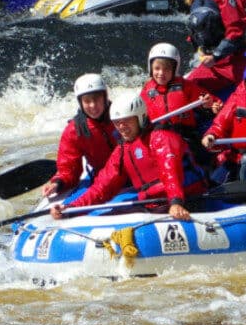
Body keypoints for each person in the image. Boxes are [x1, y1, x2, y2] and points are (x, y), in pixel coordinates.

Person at [50, 93, 207, 222]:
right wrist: (71, 208)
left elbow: (171, 172)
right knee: (108, 218)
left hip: (187, 199)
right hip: (154, 204)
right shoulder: (122, 150)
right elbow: (102, 187)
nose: (122, 127)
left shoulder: (160, 137)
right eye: (117, 123)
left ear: (140, 117)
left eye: (126, 121)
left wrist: (176, 202)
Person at [41, 73, 121, 197]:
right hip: (104, 177)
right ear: (80, 102)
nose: (93, 105)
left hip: (131, 171)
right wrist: (58, 183)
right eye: (87, 101)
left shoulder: (123, 115)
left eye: (97, 99)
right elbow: (68, 169)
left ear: (105, 97)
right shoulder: (75, 130)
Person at [140, 42, 216, 160]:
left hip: (184, 135)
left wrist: (210, 104)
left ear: (174, 69)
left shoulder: (186, 86)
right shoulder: (146, 90)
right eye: (157, 68)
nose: (161, 73)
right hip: (158, 137)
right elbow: (140, 114)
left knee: (202, 157)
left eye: (166, 69)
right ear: (151, 68)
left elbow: (209, 99)